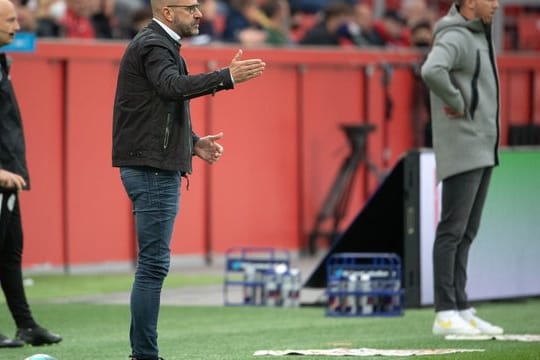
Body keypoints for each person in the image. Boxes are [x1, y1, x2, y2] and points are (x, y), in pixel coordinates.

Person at [112, 0, 265, 359]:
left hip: (151, 165)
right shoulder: (153, 45)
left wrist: (192, 143)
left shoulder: (157, 44)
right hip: (151, 170)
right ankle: (145, 355)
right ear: (168, 12)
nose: (199, 13)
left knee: (152, 264)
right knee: (153, 265)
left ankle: (142, 353)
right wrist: (226, 77)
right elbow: (171, 87)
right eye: (191, 7)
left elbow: (155, 106)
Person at [421, 0, 504, 336]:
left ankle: (460, 305)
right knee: (452, 230)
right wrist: (457, 101)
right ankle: (444, 312)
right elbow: (431, 70)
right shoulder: (455, 36)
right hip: (464, 146)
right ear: (470, 1)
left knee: (467, 232)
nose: (497, 4)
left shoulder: (478, 34)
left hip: (483, 145)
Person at [0, 0, 62, 349]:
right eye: (10, 20)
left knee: (10, 253)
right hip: (1, 175)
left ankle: (26, 325)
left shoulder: (2, 61)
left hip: (10, 176)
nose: (17, 26)